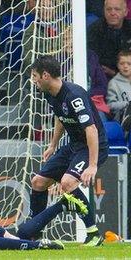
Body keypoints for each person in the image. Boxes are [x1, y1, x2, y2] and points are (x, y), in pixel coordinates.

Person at [26, 56, 108, 246]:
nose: (34, 81)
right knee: (38, 182)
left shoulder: (74, 95)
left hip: (92, 146)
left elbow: (92, 129)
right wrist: (53, 145)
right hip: (73, 145)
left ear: (45, 75)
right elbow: (60, 116)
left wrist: (93, 165)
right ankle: (35, 236)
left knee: (68, 182)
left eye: (35, 76)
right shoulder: (49, 93)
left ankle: (93, 234)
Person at [88, 0, 131, 78]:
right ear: (104, 11)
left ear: (125, 12)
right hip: (103, 77)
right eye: (109, 9)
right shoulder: (95, 30)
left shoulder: (129, 27)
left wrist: (115, 72)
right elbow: (96, 61)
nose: (112, 13)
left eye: (117, 9)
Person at [107, 50, 131, 122]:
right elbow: (110, 105)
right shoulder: (113, 83)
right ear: (117, 65)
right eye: (122, 63)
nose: (125, 66)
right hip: (124, 119)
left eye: (129, 64)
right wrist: (127, 104)